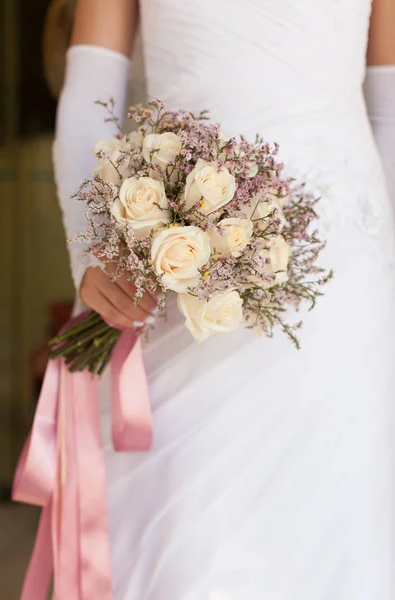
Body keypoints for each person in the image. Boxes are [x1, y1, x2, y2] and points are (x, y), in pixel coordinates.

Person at [53, 1, 395, 598]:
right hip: (168, 275)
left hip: (344, 288)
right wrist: (98, 259)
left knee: (334, 535)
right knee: (189, 544)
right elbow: (88, 98)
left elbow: (390, 108)